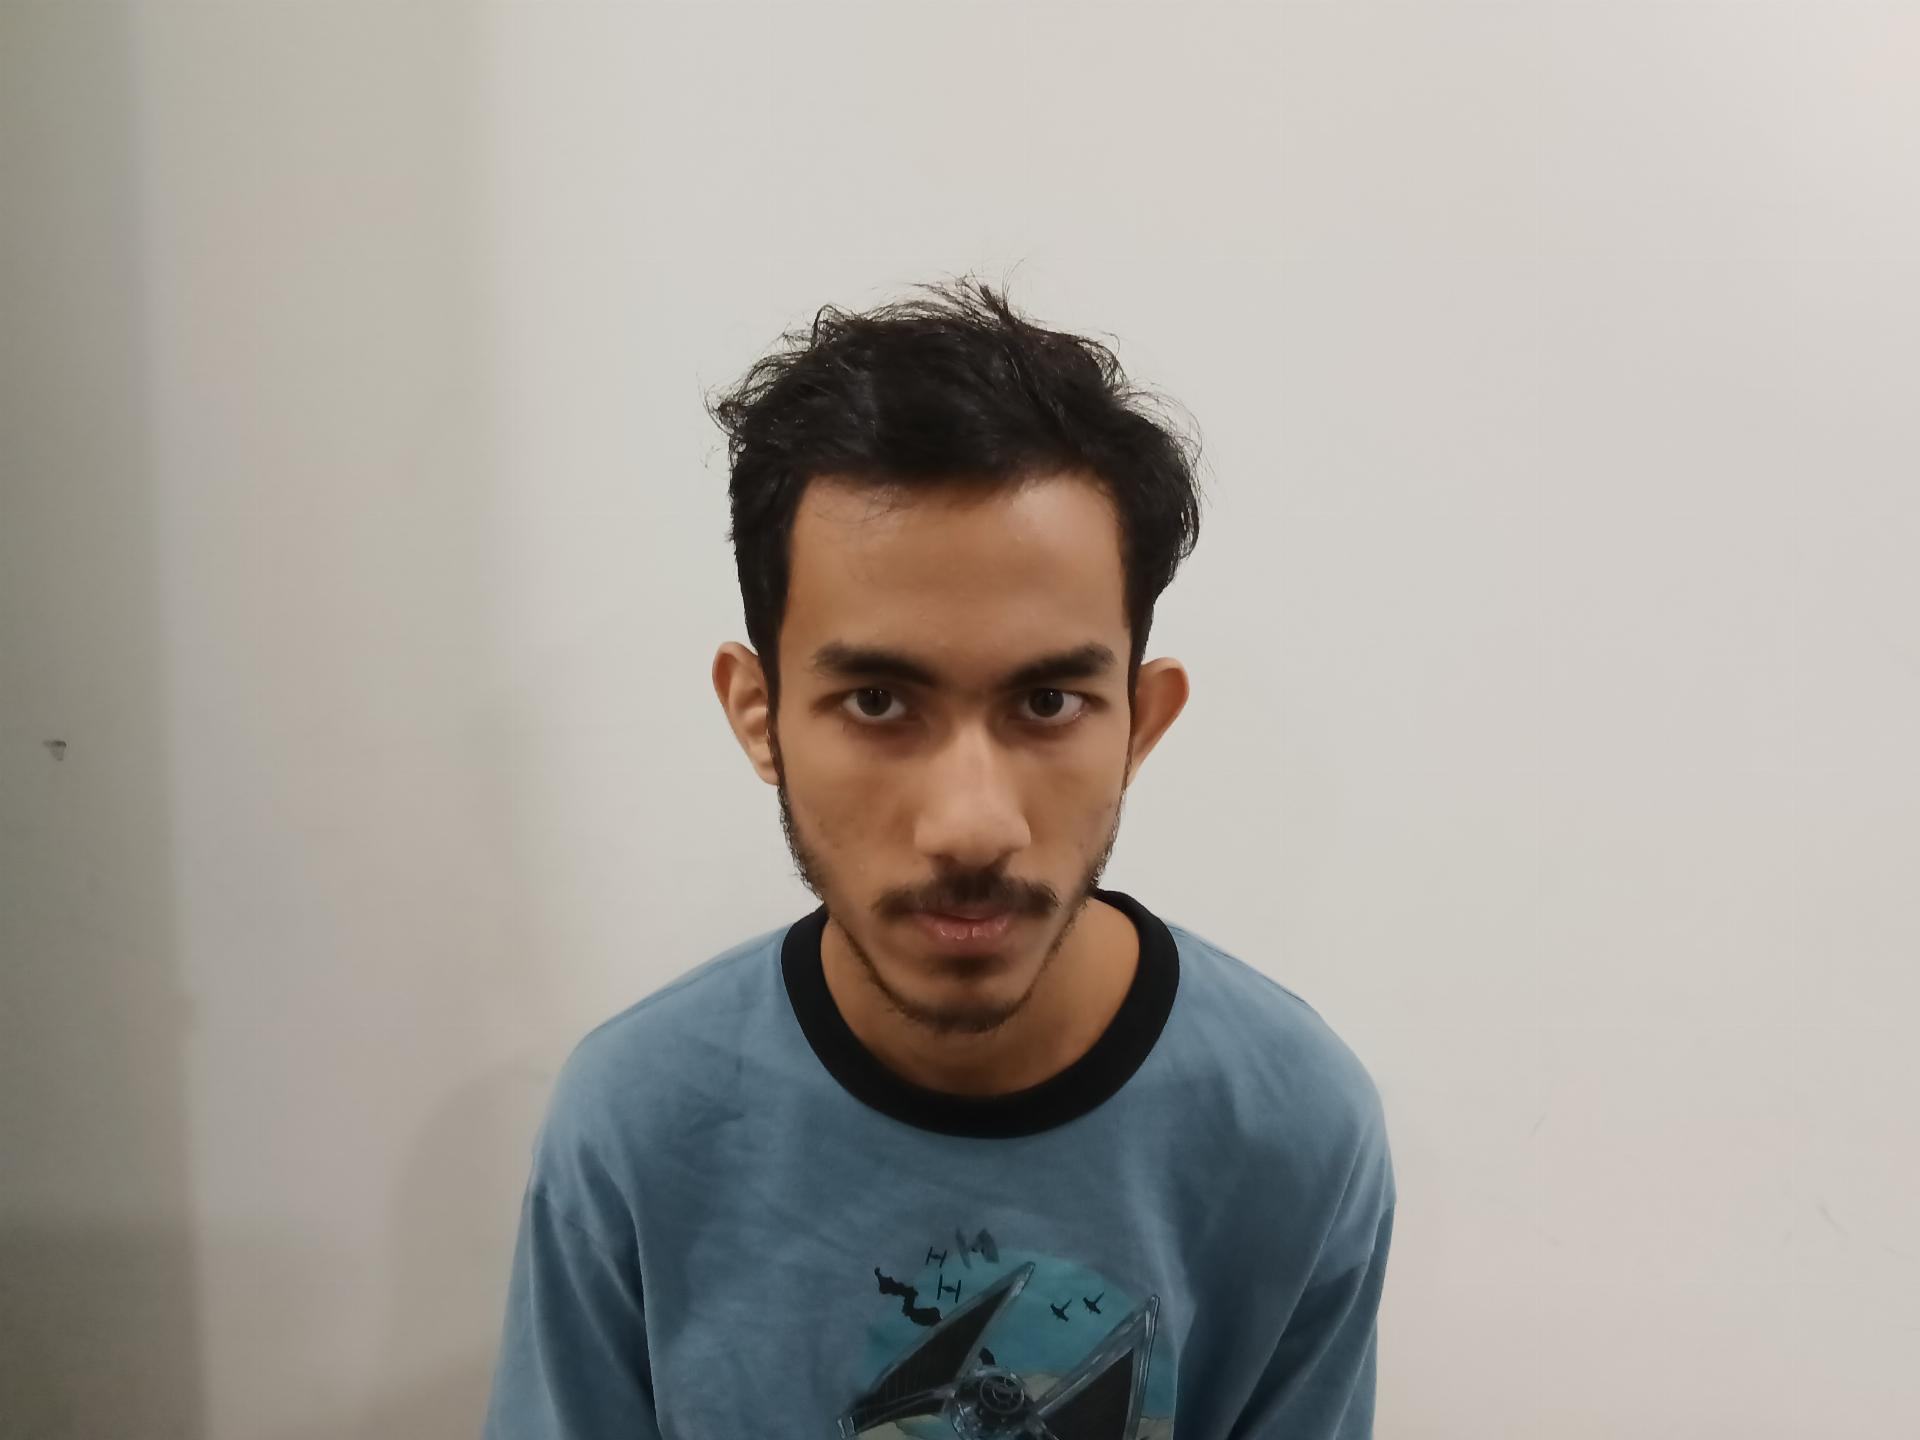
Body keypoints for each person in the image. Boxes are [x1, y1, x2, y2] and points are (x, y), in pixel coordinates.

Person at [482, 279, 1395, 1439]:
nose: (971, 826)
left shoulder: (1292, 1128)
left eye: (1048, 702)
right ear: (760, 715)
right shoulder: (635, 1126)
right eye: (877, 701)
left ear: (1140, 723)